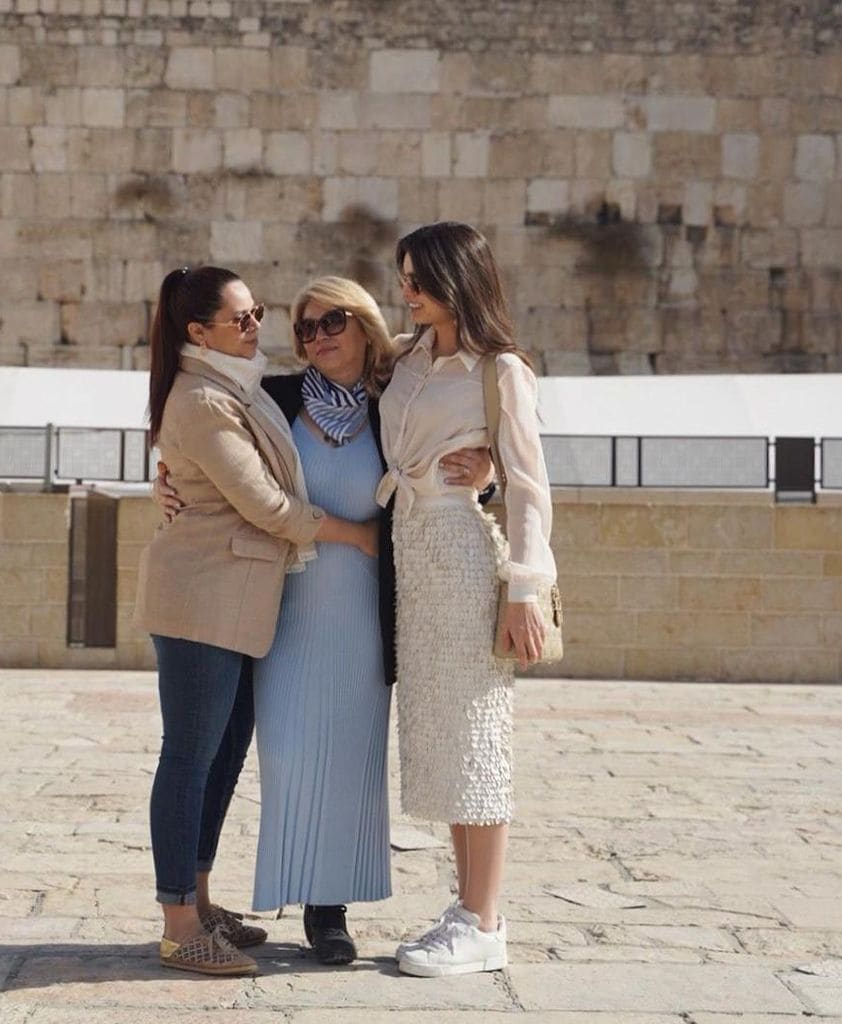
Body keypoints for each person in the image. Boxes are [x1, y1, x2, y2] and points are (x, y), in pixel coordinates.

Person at [152, 276, 494, 965]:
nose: (317, 337)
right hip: (278, 603)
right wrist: (164, 481)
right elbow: (219, 468)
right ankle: (221, 903)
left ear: (363, 323)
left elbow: (459, 439)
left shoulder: (394, 399)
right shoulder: (269, 397)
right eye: (305, 328)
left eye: (332, 321)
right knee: (277, 754)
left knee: (351, 755)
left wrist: (487, 469)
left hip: (365, 605)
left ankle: (327, 910)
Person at [135, 265, 378, 977]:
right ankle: (181, 924)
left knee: (219, 754)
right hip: (203, 595)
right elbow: (266, 506)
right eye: (241, 317)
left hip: (237, 601)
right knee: (188, 758)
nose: (257, 325)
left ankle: (201, 901)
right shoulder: (205, 399)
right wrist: (358, 536)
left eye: (257, 312)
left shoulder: (232, 388)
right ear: (197, 331)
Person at [376, 222, 557, 978]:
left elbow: (529, 487)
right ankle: (467, 908)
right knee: (447, 741)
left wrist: (523, 590)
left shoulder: (501, 370)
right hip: (409, 554)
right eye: (404, 277)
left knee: (479, 736)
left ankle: (485, 919)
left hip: (461, 553)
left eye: (419, 278)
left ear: (458, 279)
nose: (406, 290)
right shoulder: (405, 359)